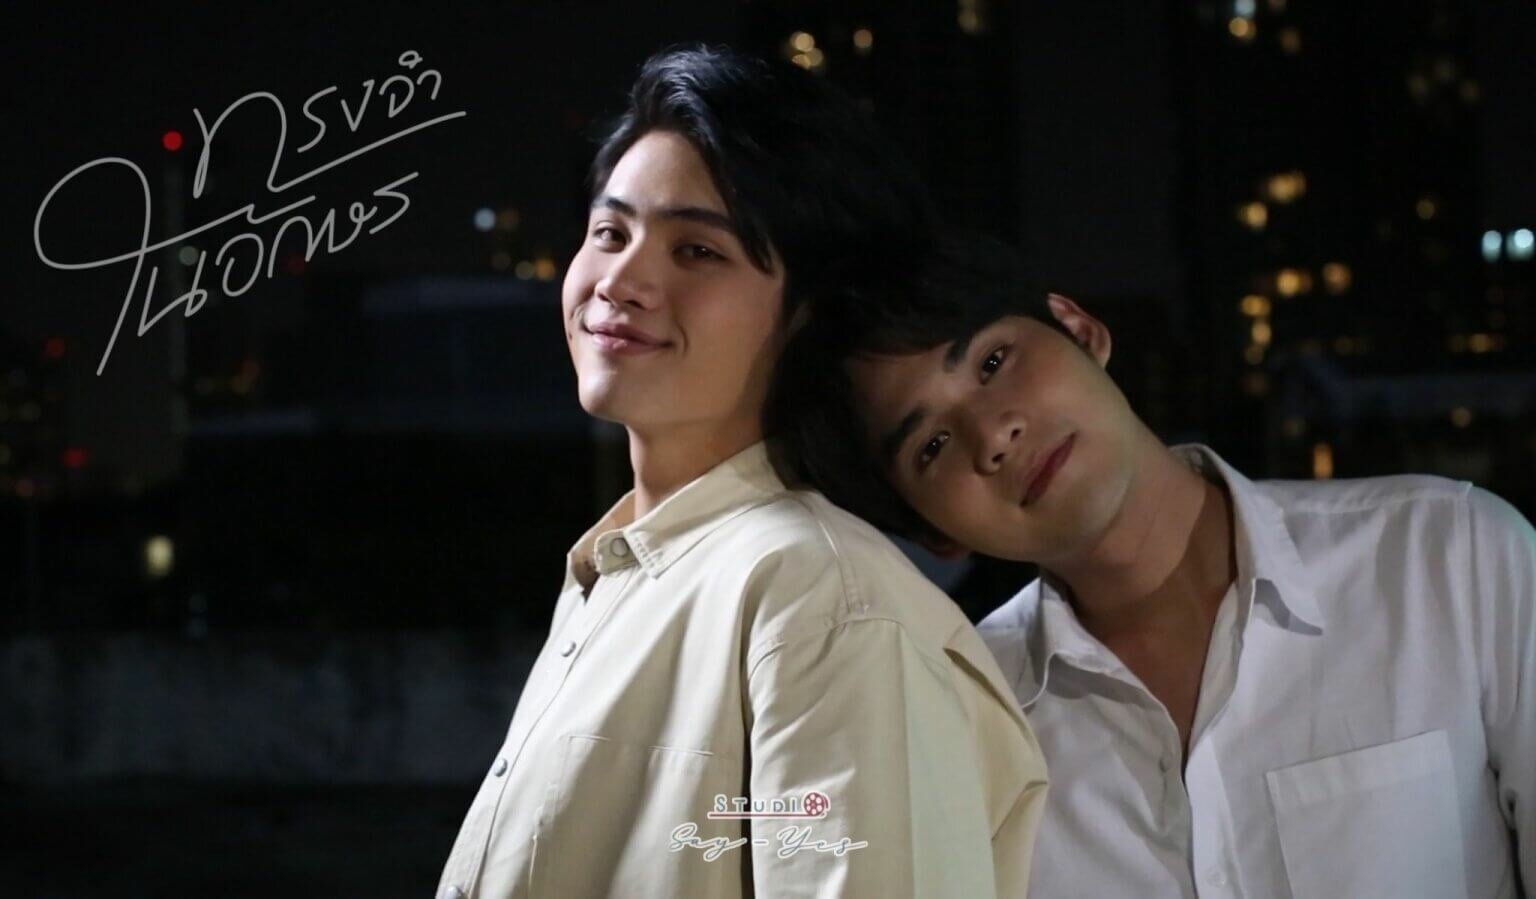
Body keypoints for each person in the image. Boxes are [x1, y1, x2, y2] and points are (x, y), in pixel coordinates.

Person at [435, 49, 1048, 899]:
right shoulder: (627, 571)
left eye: (697, 250)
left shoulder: (817, 599)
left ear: (807, 316)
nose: (622, 280)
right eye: (610, 232)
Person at [772, 232, 1535, 897]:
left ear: (1079, 328)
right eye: (931, 445)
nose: (993, 433)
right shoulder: (960, 723)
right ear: (932, 533)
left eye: (994, 361)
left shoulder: (1448, 557)